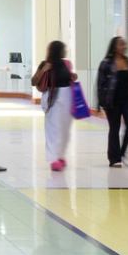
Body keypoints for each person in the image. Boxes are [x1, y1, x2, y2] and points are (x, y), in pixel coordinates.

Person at [94, 36, 128, 168]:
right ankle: (114, 158)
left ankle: (122, 151)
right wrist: (101, 102)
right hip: (112, 101)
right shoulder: (106, 63)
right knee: (114, 128)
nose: (124, 47)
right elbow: (100, 84)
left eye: (124, 44)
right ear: (114, 47)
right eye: (120, 44)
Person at [32, 39, 75, 172]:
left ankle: (60, 155)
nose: (65, 51)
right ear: (58, 50)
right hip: (52, 99)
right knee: (53, 129)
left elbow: (69, 79)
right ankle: (53, 158)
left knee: (65, 130)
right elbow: (34, 81)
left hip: (67, 97)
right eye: (63, 48)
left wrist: (72, 76)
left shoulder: (67, 64)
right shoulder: (45, 64)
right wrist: (43, 70)